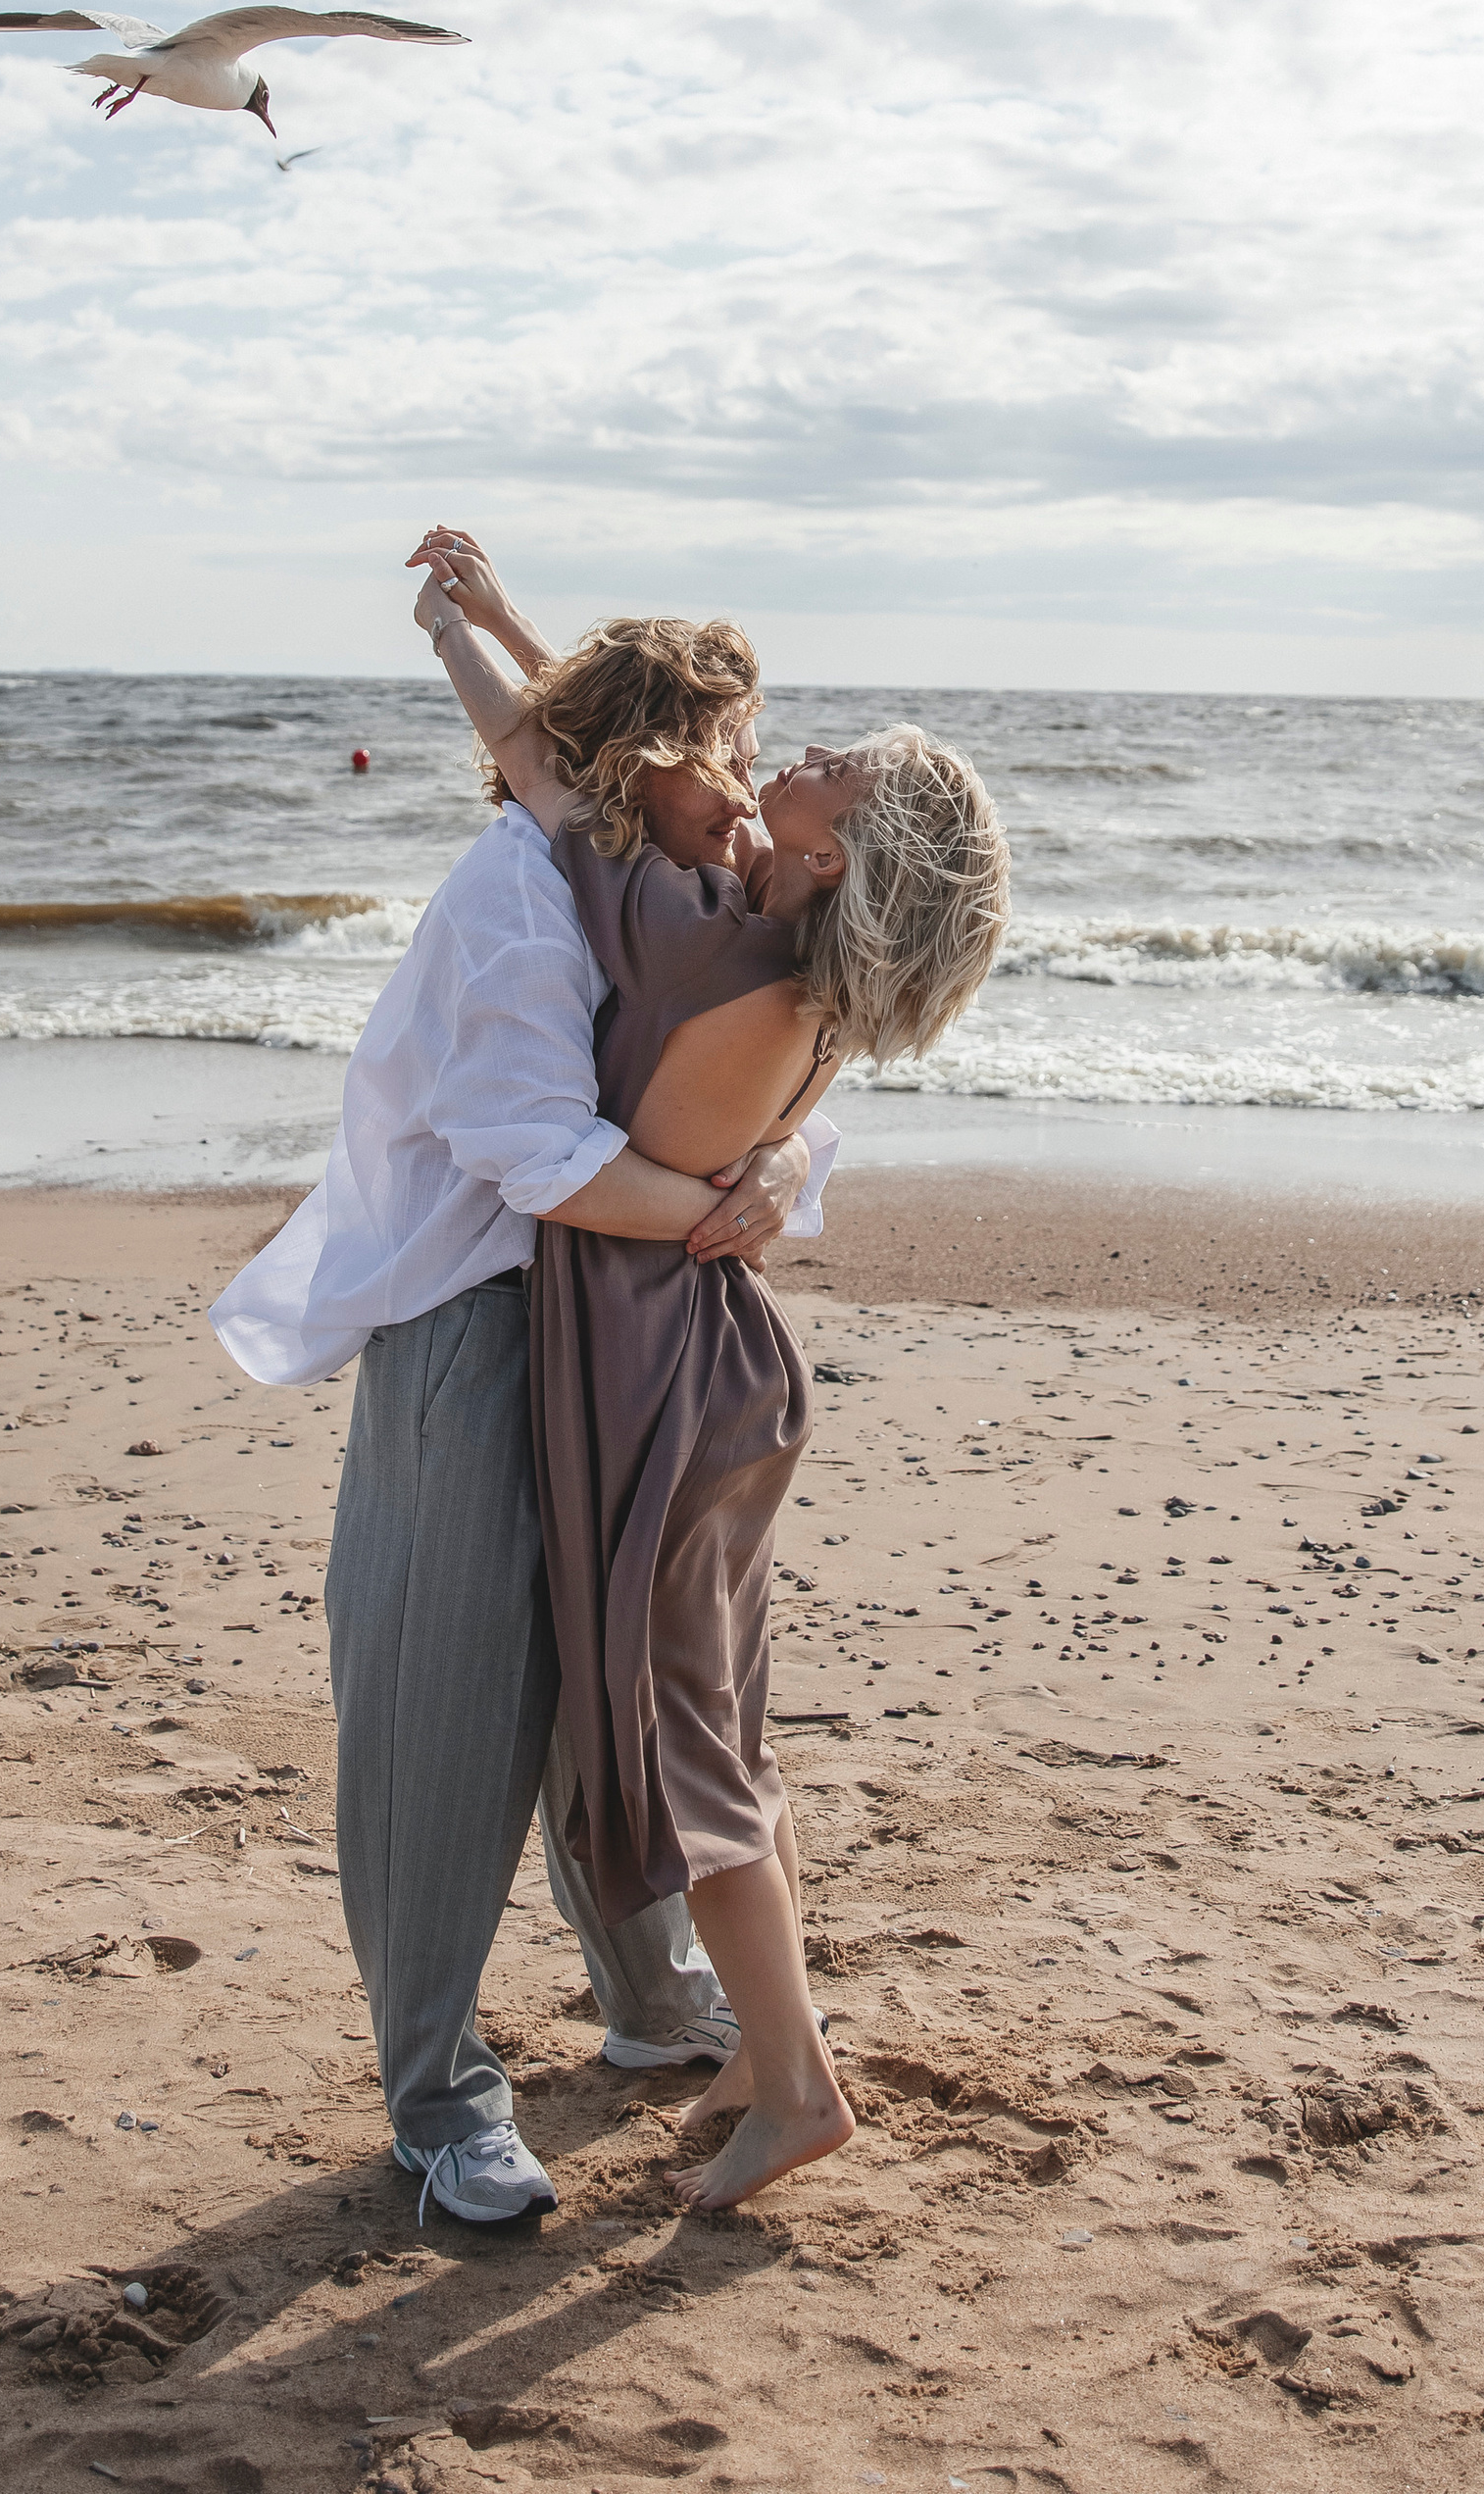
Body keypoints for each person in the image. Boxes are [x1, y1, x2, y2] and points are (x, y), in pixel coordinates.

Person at [209, 554, 837, 2228]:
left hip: (618, 1322)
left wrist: (775, 1170)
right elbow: (533, 1153)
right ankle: (439, 2097)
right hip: (480, 1320)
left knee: (608, 1682)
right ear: (649, 763)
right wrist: (726, 1210)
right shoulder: (519, 889)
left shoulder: (661, 875)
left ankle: (646, 2008)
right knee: (447, 1707)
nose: (753, 781)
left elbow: (745, 1081)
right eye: (729, 745)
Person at [410, 523, 1011, 2209]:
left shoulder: (698, 941)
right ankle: (763, 2041)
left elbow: (555, 767)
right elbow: (614, 758)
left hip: (659, 1374)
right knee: (727, 1732)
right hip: (721, 1371)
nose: (795, 758)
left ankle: (798, 2087)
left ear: (843, 852)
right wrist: (499, 613)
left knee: (693, 1750)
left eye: (832, 773)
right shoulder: (796, 970)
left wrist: (459, 631)